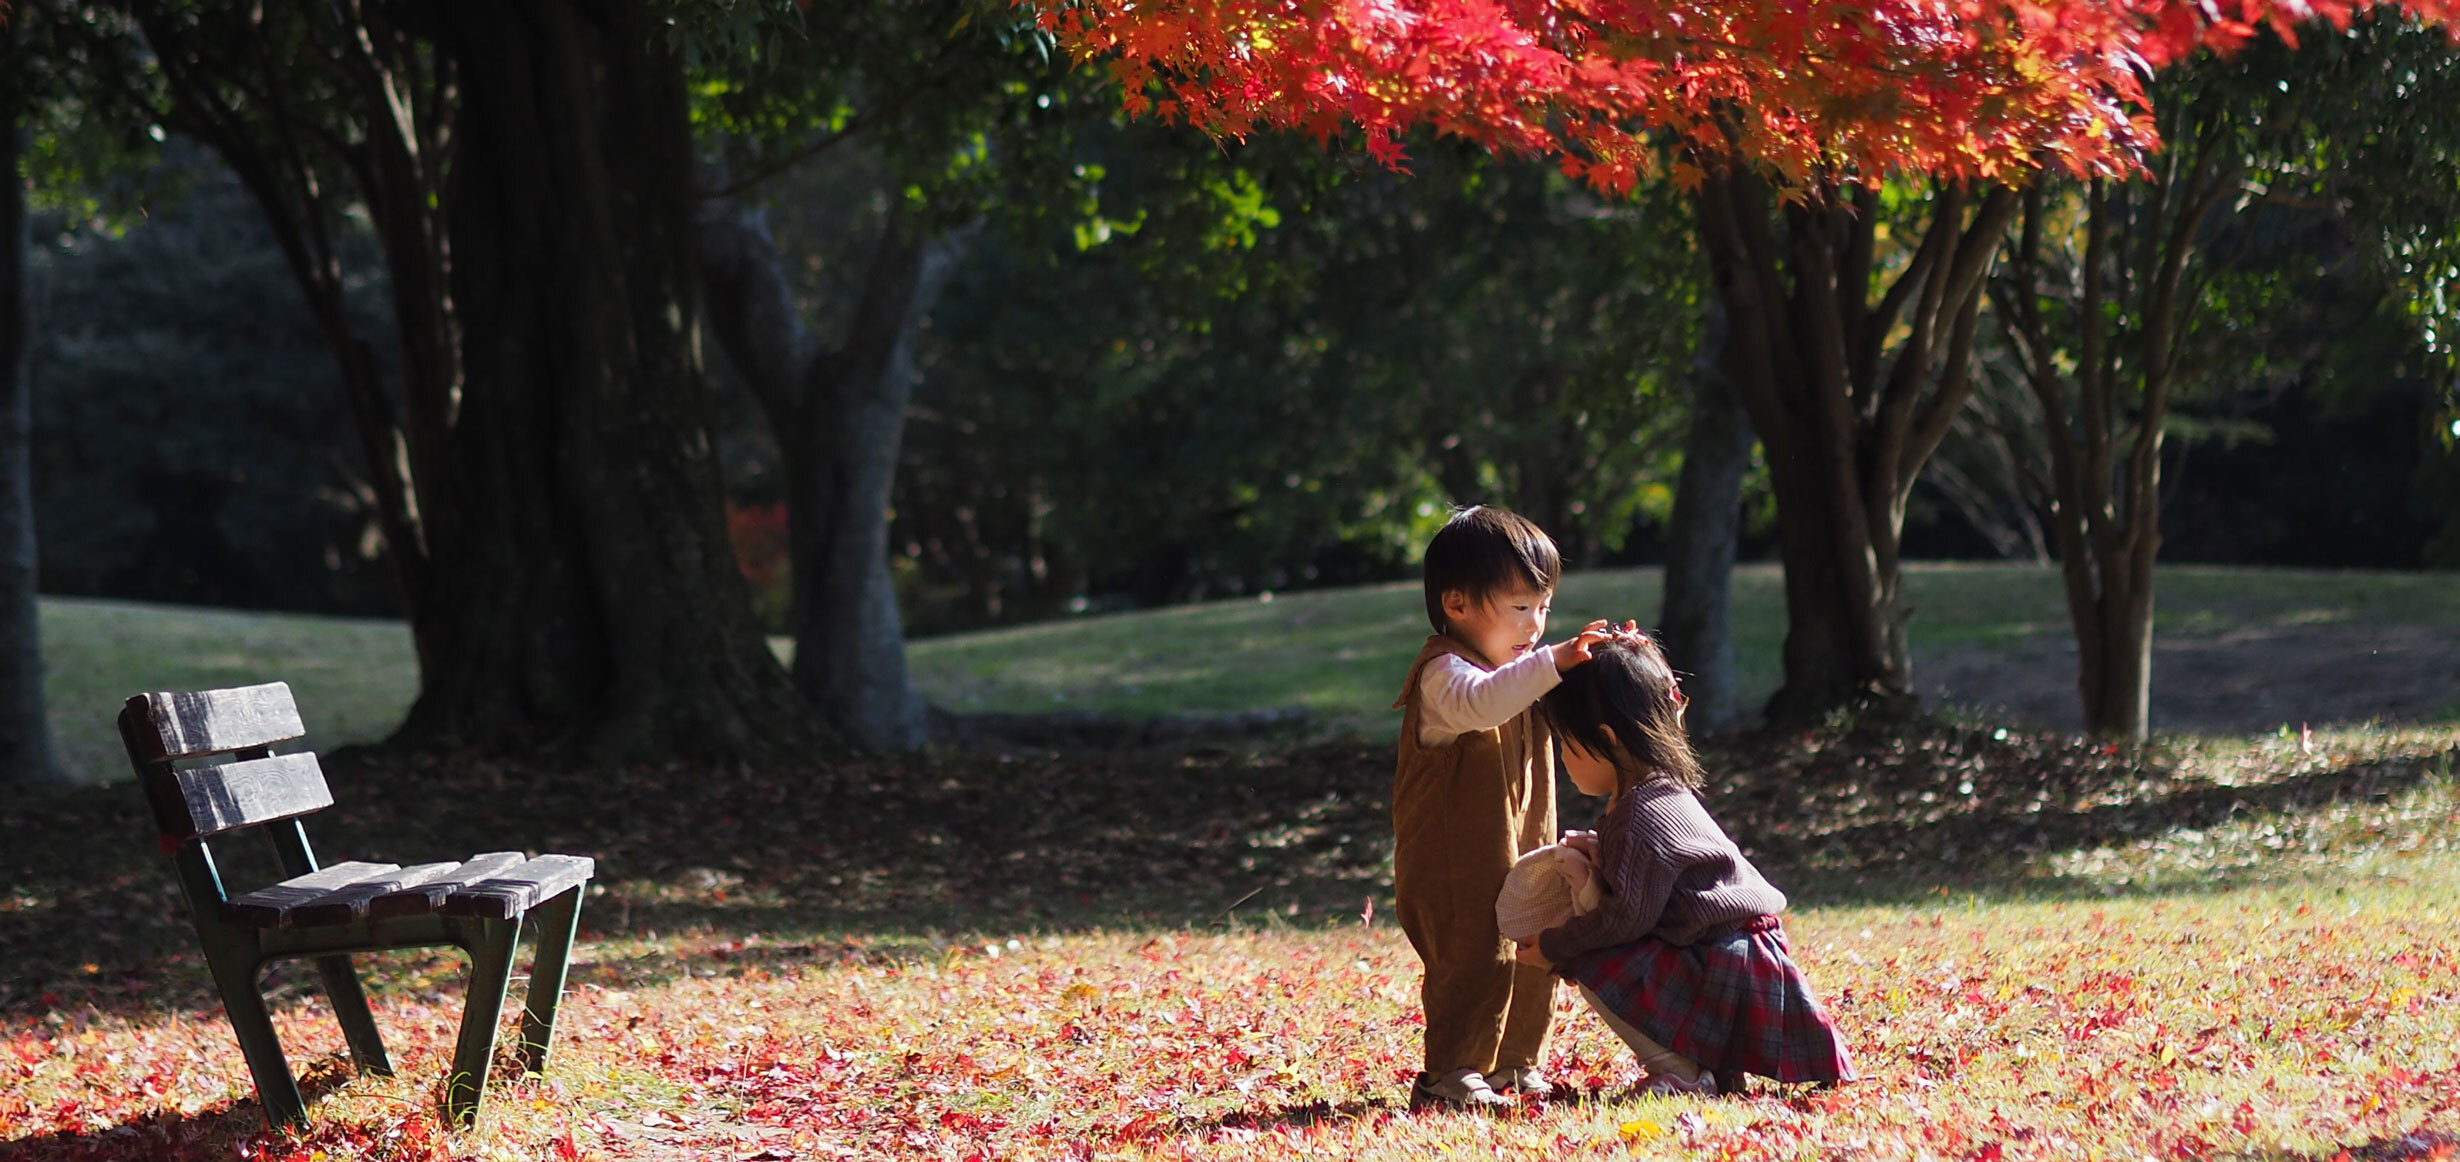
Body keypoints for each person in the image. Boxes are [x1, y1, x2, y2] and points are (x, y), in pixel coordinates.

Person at [1515, 632, 1856, 1096]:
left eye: (1569, 746)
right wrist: (1599, 849)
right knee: (1594, 951)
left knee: (1592, 961)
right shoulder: (1654, 792)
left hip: (1721, 957)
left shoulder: (1641, 815)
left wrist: (1555, 946)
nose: (1564, 760)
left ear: (1608, 740)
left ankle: (1681, 1072)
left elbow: (1625, 919)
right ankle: (1701, 1066)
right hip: (1726, 948)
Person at [1391, 505, 1614, 1109]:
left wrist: (1620, 674)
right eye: (1520, 607)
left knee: (1537, 936)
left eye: (1543, 607)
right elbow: (1484, 704)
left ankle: (1516, 1063)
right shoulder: (1445, 675)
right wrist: (1554, 661)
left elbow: (1579, 722)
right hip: (1453, 857)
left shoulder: (1524, 673)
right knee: (1472, 952)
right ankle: (1453, 1070)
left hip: (1523, 840)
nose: (1536, 625)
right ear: (1457, 604)